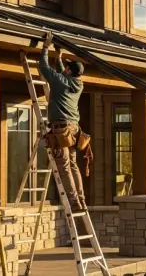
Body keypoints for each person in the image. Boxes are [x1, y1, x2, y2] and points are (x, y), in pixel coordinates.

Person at [39, 32, 87, 210]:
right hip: (74, 130)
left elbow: (44, 68)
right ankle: (81, 200)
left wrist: (45, 48)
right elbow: (63, 74)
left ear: (69, 71)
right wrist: (58, 57)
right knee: (73, 165)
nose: (64, 69)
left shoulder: (60, 81)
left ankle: (74, 202)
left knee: (64, 166)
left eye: (66, 68)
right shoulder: (78, 84)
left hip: (61, 130)